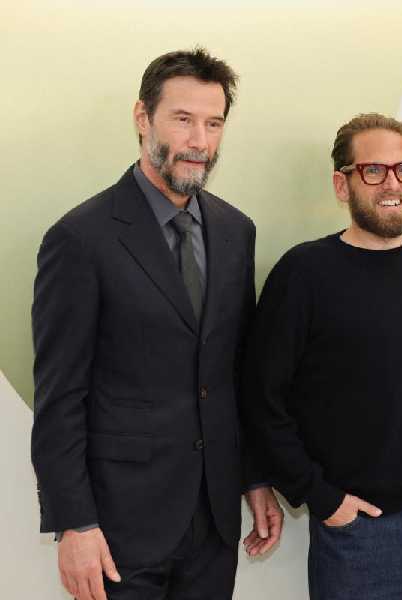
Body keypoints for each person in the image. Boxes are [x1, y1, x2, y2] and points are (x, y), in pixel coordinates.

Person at [30, 47, 282, 600]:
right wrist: (74, 523)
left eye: (214, 123)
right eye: (183, 119)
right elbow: (60, 394)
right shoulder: (80, 239)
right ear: (143, 118)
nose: (200, 140)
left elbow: (236, 371)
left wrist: (254, 476)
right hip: (119, 528)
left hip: (214, 521)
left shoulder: (236, 230)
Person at [240, 113, 402, 599]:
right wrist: (321, 498)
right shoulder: (304, 273)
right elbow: (261, 399)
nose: (393, 183)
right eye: (373, 171)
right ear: (341, 185)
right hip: (360, 530)